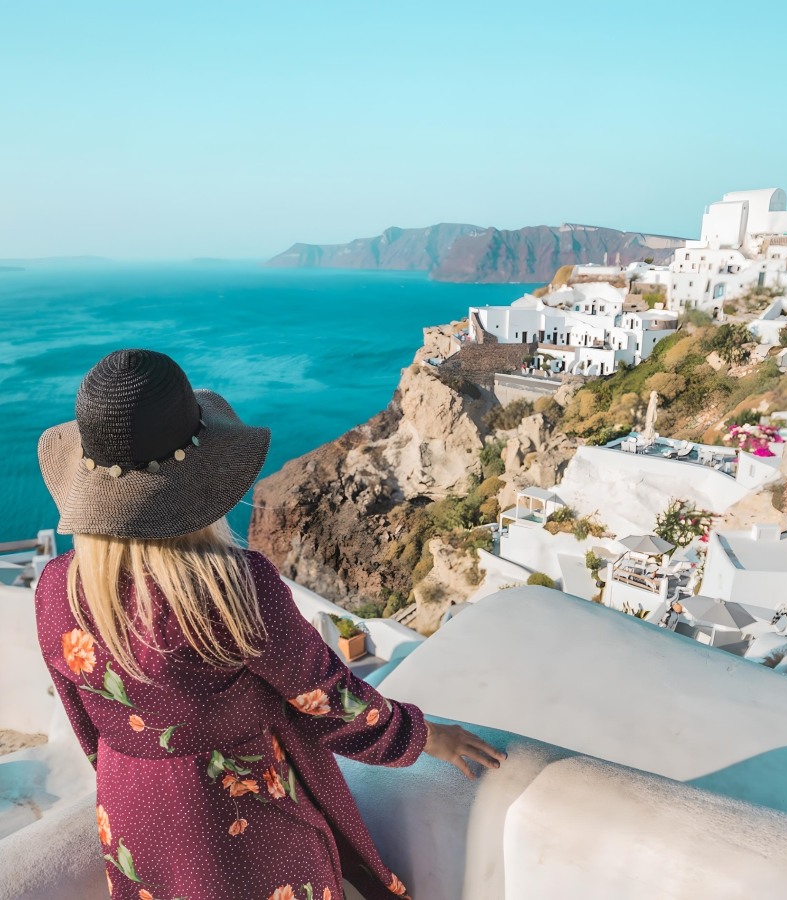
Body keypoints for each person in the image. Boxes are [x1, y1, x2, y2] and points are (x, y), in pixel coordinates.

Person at [35, 349, 505, 900]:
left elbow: (86, 725)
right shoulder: (231, 588)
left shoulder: (57, 588)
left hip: (130, 811)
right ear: (200, 479)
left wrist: (132, 770)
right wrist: (425, 736)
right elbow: (328, 699)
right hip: (240, 820)